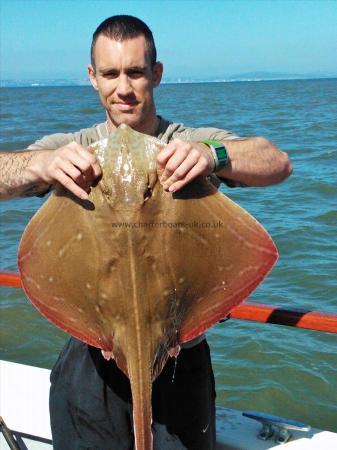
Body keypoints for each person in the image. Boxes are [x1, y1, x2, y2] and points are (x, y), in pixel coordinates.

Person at [0, 15, 292, 450]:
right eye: (111, 73)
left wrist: (213, 155)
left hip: (181, 354)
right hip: (89, 358)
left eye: (136, 72)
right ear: (92, 78)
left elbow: (276, 161)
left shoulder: (187, 140)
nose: (124, 87)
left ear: (156, 73)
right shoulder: (71, 146)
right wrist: (39, 164)